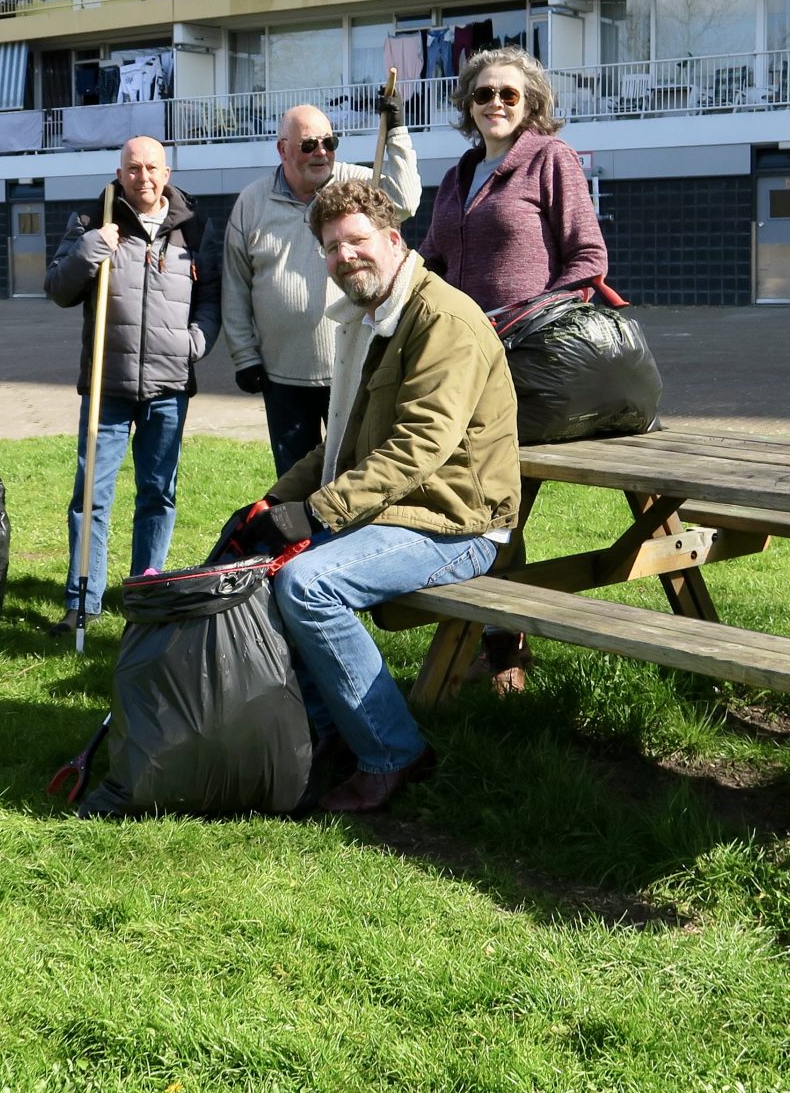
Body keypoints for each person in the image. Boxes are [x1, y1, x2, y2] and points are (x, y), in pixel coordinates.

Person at [238, 177, 519, 814]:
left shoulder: (441, 319)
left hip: (458, 525)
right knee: (261, 567)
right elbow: (342, 442)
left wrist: (313, 514)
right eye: (332, 249)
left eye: (357, 242)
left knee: (308, 585)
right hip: (401, 509)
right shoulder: (373, 319)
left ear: (393, 240)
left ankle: (394, 752)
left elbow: (419, 447)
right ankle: (329, 732)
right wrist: (270, 501)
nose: (346, 257)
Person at [418, 45, 608, 694]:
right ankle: (495, 639)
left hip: (525, 365)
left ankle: (503, 649)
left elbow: (587, 262)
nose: (496, 103)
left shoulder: (551, 160)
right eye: (483, 94)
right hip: (458, 369)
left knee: (496, 504)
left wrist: (516, 319)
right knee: (474, 503)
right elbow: (429, 263)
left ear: (532, 105)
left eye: (509, 94)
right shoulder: (456, 175)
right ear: (468, 107)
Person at [45, 135, 218, 634]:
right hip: (108, 385)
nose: (143, 177)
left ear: (168, 173)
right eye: (133, 168)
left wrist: (194, 343)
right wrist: (89, 250)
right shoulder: (92, 219)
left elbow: (211, 298)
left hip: (170, 385)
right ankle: (83, 601)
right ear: (120, 173)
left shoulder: (195, 227)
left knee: (157, 493)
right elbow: (58, 289)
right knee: (91, 498)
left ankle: (147, 594)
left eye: (152, 168)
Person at [221, 97, 419, 476]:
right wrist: (244, 355)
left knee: (354, 475)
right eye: (309, 145)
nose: (321, 153)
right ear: (282, 149)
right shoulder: (252, 202)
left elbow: (406, 200)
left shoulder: (356, 185)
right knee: (295, 482)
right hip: (283, 377)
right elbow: (236, 283)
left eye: (330, 142)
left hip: (353, 366)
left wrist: (397, 132)